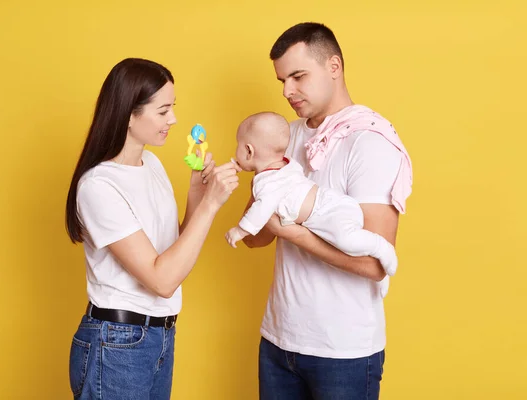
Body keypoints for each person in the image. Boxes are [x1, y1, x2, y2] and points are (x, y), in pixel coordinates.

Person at [242, 23, 413, 400]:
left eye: (298, 76)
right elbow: (254, 237)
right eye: (282, 80)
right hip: (277, 340)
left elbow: (375, 263)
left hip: (344, 351)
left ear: (334, 66)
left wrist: (293, 232)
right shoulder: (284, 135)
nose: (287, 91)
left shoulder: (370, 144)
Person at [64, 58, 241, 400]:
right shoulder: (98, 186)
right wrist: (211, 205)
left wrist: (197, 194)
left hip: (158, 336)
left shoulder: (153, 164)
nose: (173, 119)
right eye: (163, 111)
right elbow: (162, 280)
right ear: (130, 114)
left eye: (173, 107)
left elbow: (171, 256)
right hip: (118, 342)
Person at [224, 112, 397, 294]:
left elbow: (262, 208)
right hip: (329, 203)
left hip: (328, 213)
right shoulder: (286, 165)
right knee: (351, 248)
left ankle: (382, 248)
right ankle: (382, 277)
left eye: (238, 146)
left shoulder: (267, 183)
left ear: (249, 151)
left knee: (346, 240)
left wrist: (240, 230)